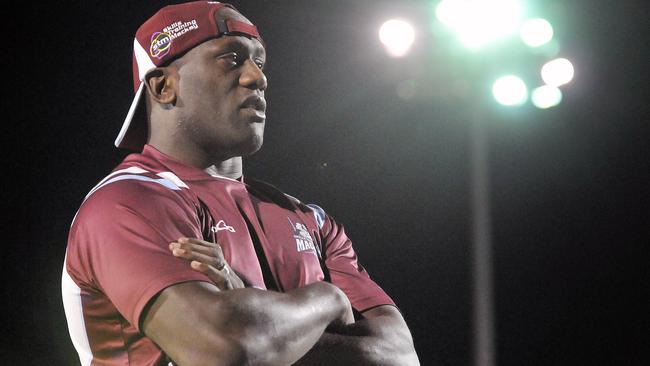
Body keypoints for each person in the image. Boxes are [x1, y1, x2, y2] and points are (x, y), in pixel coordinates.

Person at [62, 1, 419, 365]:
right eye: (231, 59)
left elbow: (400, 356)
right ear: (163, 86)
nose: (257, 78)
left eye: (259, 63)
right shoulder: (126, 202)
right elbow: (223, 349)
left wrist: (249, 303)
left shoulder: (310, 220)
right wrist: (329, 300)